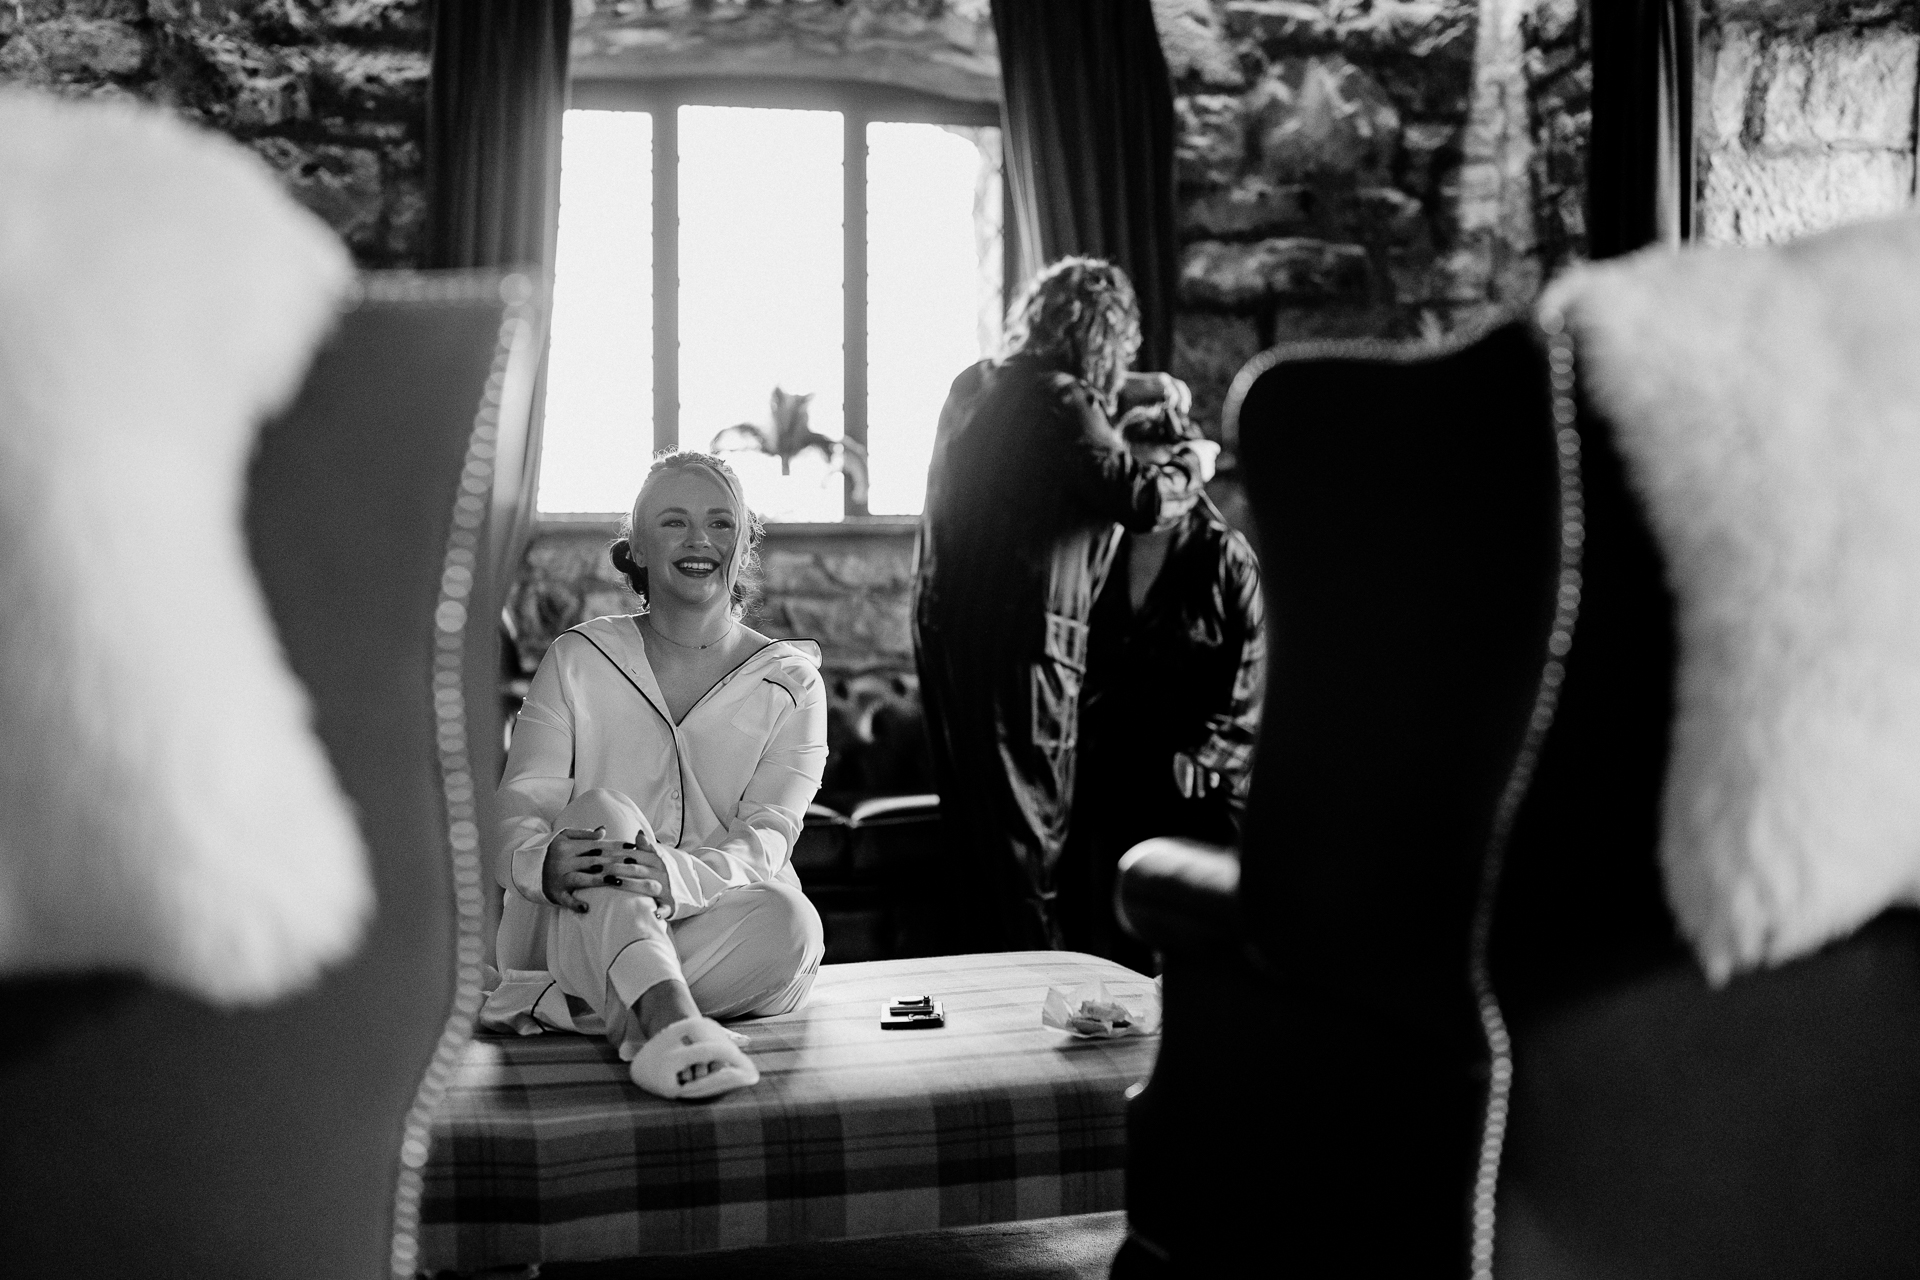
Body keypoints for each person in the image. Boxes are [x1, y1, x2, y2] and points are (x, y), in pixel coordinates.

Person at [484, 451, 828, 1100]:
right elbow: (520, 804)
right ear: (637, 548)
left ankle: (572, 1002)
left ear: (743, 547)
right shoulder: (577, 660)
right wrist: (538, 862)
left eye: (721, 524)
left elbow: (767, 837)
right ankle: (672, 1020)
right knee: (605, 814)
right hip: (578, 910)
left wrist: (672, 875)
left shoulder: (792, 684)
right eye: (674, 522)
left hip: (717, 924)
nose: (700, 540)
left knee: (793, 925)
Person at [913, 256, 1218, 952]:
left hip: (949, 639)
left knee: (978, 842)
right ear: (1104, 337)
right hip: (1024, 650)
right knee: (1028, 839)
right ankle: (1034, 1010)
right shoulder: (1061, 402)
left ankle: (986, 1013)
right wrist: (1191, 463)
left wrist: (1133, 388)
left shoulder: (976, 386)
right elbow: (1137, 498)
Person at [1056, 400, 1266, 973]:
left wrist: (1211, 751)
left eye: (1155, 473)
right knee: (1105, 939)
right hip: (1111, 767)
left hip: (1193, 777)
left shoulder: (1225, 556)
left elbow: (1254, 668)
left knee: (1193, 948)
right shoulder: (1102, 549)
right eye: (1135, 473)